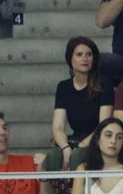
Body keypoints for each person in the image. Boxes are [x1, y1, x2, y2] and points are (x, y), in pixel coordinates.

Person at [44, 37, 113, 173]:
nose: (85, 59)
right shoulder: (63, 87)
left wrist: (81, 145)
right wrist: (65, 148)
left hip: (98, 140)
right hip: (74, 140)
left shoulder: (104, 85)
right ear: (70, 59)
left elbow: (103, 126)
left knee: (78, 156)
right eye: (79, 55)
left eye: (89, 54)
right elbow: (57, 127)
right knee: (52, 156)